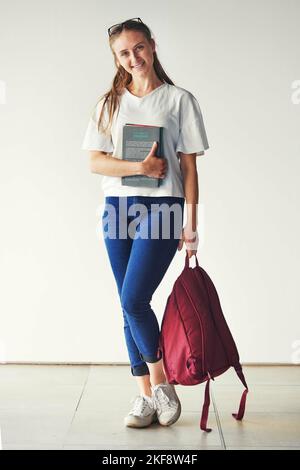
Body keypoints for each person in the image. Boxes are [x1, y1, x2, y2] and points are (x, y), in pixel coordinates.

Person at [81, 18, 209, 429]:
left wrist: (191, 223)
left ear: (152, 47)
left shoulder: (178, 100)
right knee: (127, 305)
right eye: (124, 53)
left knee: (134, 299)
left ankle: (162, 383)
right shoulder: (109, 104)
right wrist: (138, 165)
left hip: (163, 207)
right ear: (116, 59)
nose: (133, 58)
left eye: (138, 48)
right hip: (117, 207)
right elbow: (95, 161)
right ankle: (145, 399)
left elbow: (188, 168)